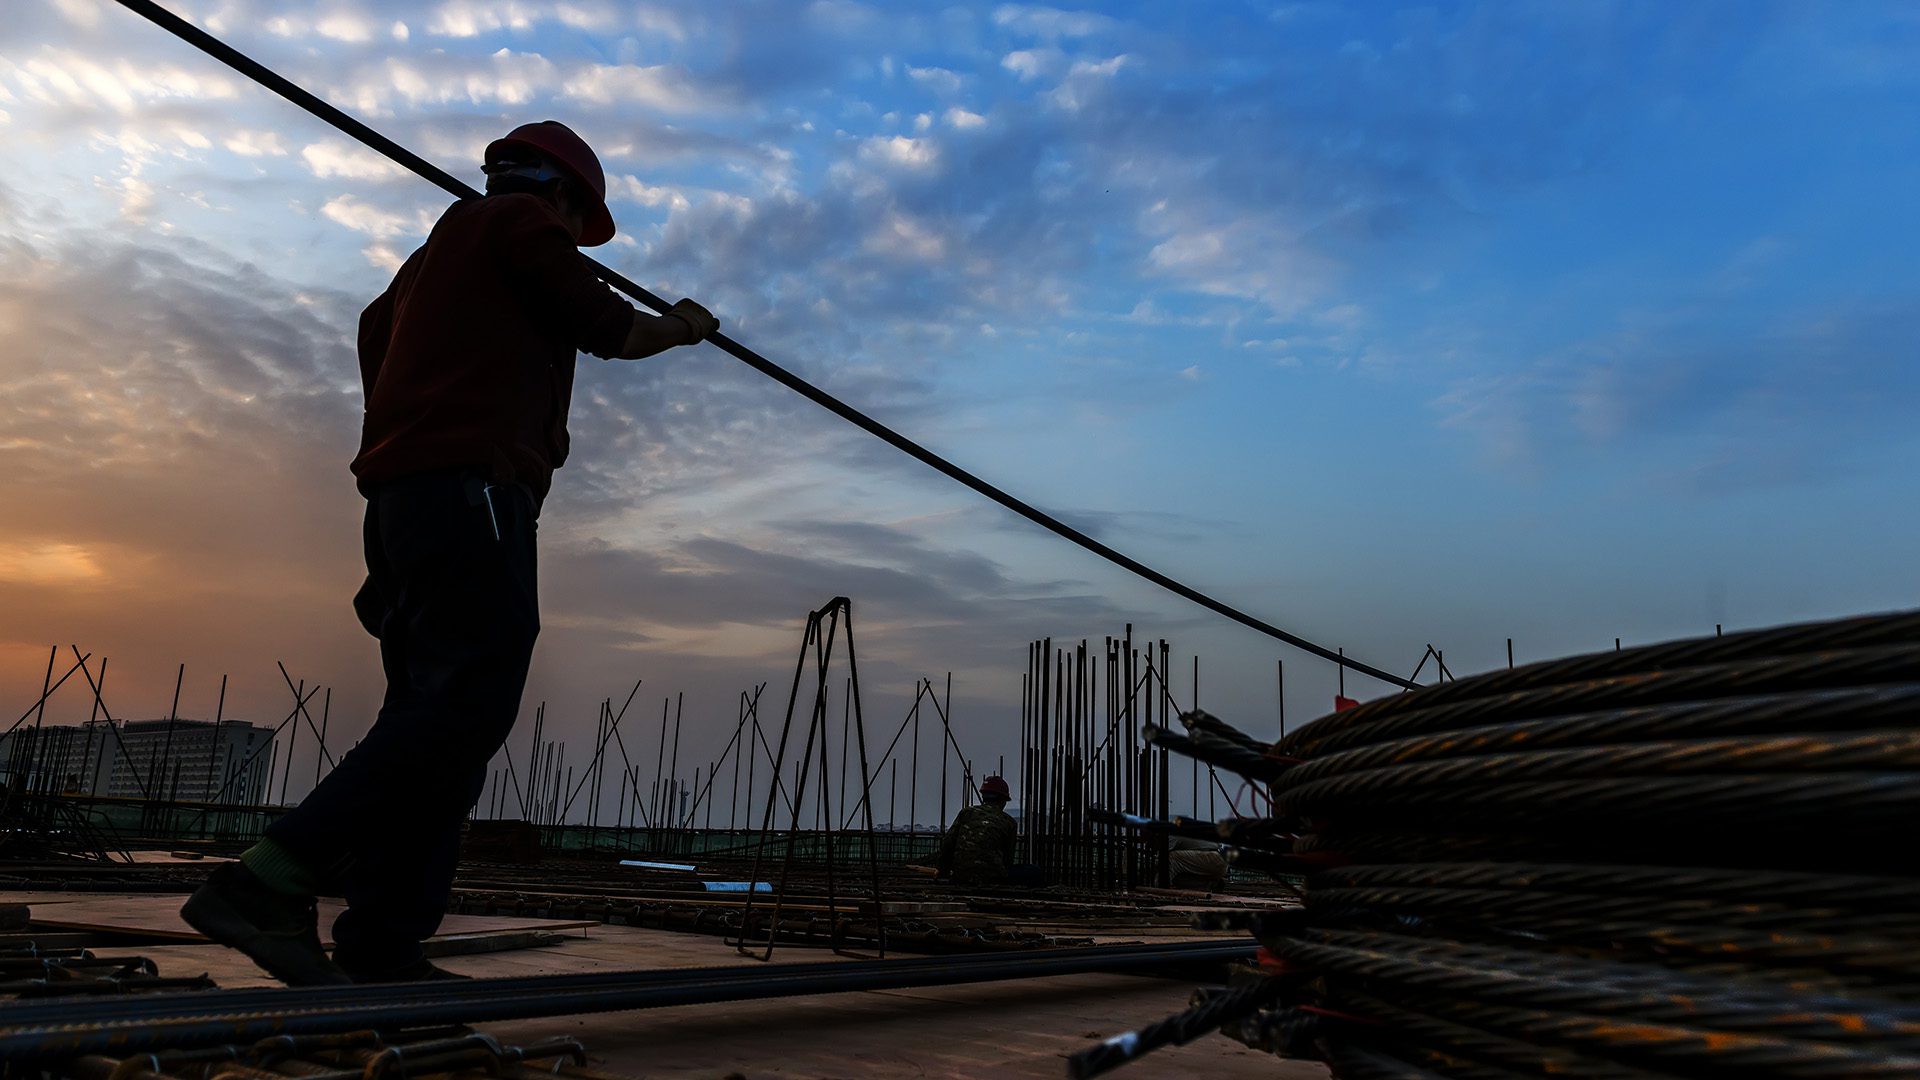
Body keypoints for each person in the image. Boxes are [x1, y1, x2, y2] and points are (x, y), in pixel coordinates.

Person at [181, 121, 718, 985]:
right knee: (465, 705)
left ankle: (384, 943)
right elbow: (610, 328)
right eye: (577, 223)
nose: (574, 238)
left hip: (410, 502)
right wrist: (683, 326)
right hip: (475, 494)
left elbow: (373, 336)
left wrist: (413, 464)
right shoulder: (517, 221)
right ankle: (267, 881)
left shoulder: (426, 266)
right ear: (563, 195)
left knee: (438, 720)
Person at [936, 775, 1018, 886]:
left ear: (983, 796)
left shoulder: (966, 813)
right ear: (1002, 800)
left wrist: (942, 872)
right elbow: (1008, 858)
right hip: (992, 878)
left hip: (961, 876)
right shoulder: (1009, 822)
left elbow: (948, 843)